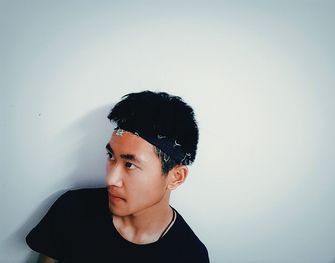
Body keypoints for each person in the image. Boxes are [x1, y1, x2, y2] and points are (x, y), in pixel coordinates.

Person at [26, 91, 210, 263]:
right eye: (111, 157)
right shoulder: (73, 210)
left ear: (176, 177)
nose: (111, 179)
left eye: (130, 164)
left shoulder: (190, 255)